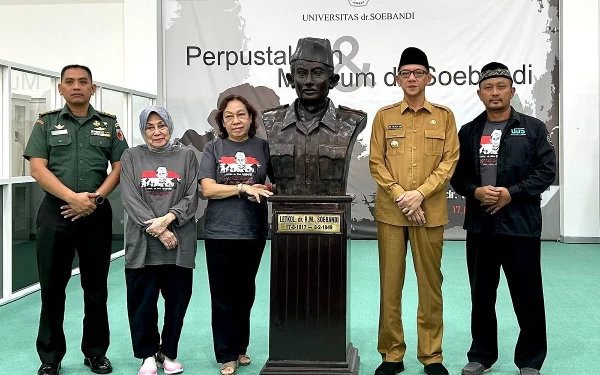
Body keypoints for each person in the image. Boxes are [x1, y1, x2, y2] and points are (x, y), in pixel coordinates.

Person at [450, 62, 556, 375]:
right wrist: (475, 191)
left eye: (501, 87)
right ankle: (481, 355)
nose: (495, 93)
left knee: (528, 296)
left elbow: (546, 172)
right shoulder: (468, 132)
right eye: (488, 87)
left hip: (521, 225)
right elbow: (457, 177)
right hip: (482, 228)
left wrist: (512, 193)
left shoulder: (533, 128)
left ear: (512, 90)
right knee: (482, 294)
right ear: (479, 93)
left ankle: (530, 360)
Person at [23, 64, 128, 375]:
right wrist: (72, 198)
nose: (76, 86)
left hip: (96, 213)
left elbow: (120, 167)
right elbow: (38, 169)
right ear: (60, 88)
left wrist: (94, 200)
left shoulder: (109, 125)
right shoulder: (46, 124)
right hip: (56, 213)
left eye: (83, 82)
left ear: (93, 88)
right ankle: (50, 357)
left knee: (96, 288)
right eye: (69, 82)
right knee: (52, 288)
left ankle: (96, 353)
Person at [369, 47, 459, 375]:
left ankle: (431, 356)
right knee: (390, 287)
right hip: (392, 214)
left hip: (429, 212)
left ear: (429, 77)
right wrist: (401, 196)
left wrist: (419, 194)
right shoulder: (384, 116)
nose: (412, 78)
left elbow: (449, 161)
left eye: (418, 73)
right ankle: (392, 355)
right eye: (406, 73)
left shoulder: (444, 116)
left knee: (430, 286)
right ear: (397, 79)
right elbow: (376, 162)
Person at [119, 106, 200, 375]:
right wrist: (159, 230)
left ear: (170, 126)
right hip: (142, 245)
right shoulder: (131, 156)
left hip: (180, 244)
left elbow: (191, 197)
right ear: (143, 130)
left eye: (161, 125)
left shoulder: (187, 155)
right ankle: (147, 356)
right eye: (150, 127)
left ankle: (167, 353)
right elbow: (130, 198)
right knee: (142, 303)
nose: (156, 132)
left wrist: (168, 220)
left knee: (177, 302)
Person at [199, 94, 274, 375]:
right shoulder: (213, 149)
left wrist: (267, 190)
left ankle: (241, 347)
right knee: (222, 295)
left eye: (241, 114)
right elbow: (208, 188)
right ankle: (226, 354)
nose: (235, 121)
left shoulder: (264, 147)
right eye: (229, 116)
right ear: (222, 121)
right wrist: (244, 187)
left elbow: (274, 183)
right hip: (220, 232)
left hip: (252, 232)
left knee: (245, 294)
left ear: (251, 118)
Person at [263, 37, 367, 195]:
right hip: (288, 215)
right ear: (291, 80)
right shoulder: (272, 121)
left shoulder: (351, 122)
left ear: (332, 81)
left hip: (331, 215)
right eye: (302, 74)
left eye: (317, 73)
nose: (309, 81)